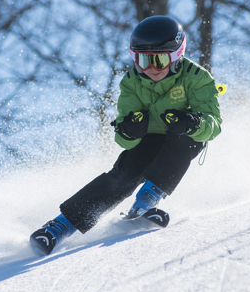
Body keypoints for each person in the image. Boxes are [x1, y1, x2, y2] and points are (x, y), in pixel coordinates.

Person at [30, 15, 222, 256]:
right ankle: (60, 226)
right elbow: (123, 138)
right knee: (124, 174)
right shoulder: (131, 81)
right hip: (149, 138)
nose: (150, 68)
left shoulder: (197, 77)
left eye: (159, 60)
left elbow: (213, 125)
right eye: (143, 60)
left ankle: (145, 202)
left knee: (185, 140)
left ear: (176, 56)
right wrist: (129, 130)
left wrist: (193, 123)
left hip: (183, 135)